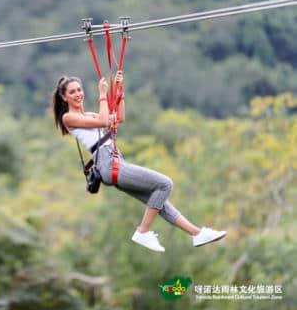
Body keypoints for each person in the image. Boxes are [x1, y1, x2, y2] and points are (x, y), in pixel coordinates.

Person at [52, 73, 226, 252]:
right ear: (64, 97)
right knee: (165, 184)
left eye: (79, 90)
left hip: (114, 161)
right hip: (109, 163)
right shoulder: (68, 118)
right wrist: (103, 94)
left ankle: (197, 234)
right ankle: (143, 231)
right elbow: (104, 120)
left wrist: (120, 92)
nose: (78, 94)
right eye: (72, 92)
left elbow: (119, 118)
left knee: (159, 202)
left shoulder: (88, 115)